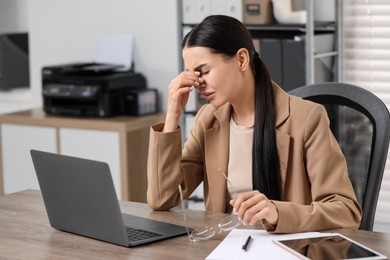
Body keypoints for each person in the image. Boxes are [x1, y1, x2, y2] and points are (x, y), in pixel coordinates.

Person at [147, 15, 361, 233]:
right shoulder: (208, 119)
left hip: (287, 250)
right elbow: (163, 198)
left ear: (241, 59)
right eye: (192, 73)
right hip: (223, 247)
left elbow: (346, 211)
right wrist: (172, 114)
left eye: (205, 71)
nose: (198, 83)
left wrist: (278, 213)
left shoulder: (306, 119)